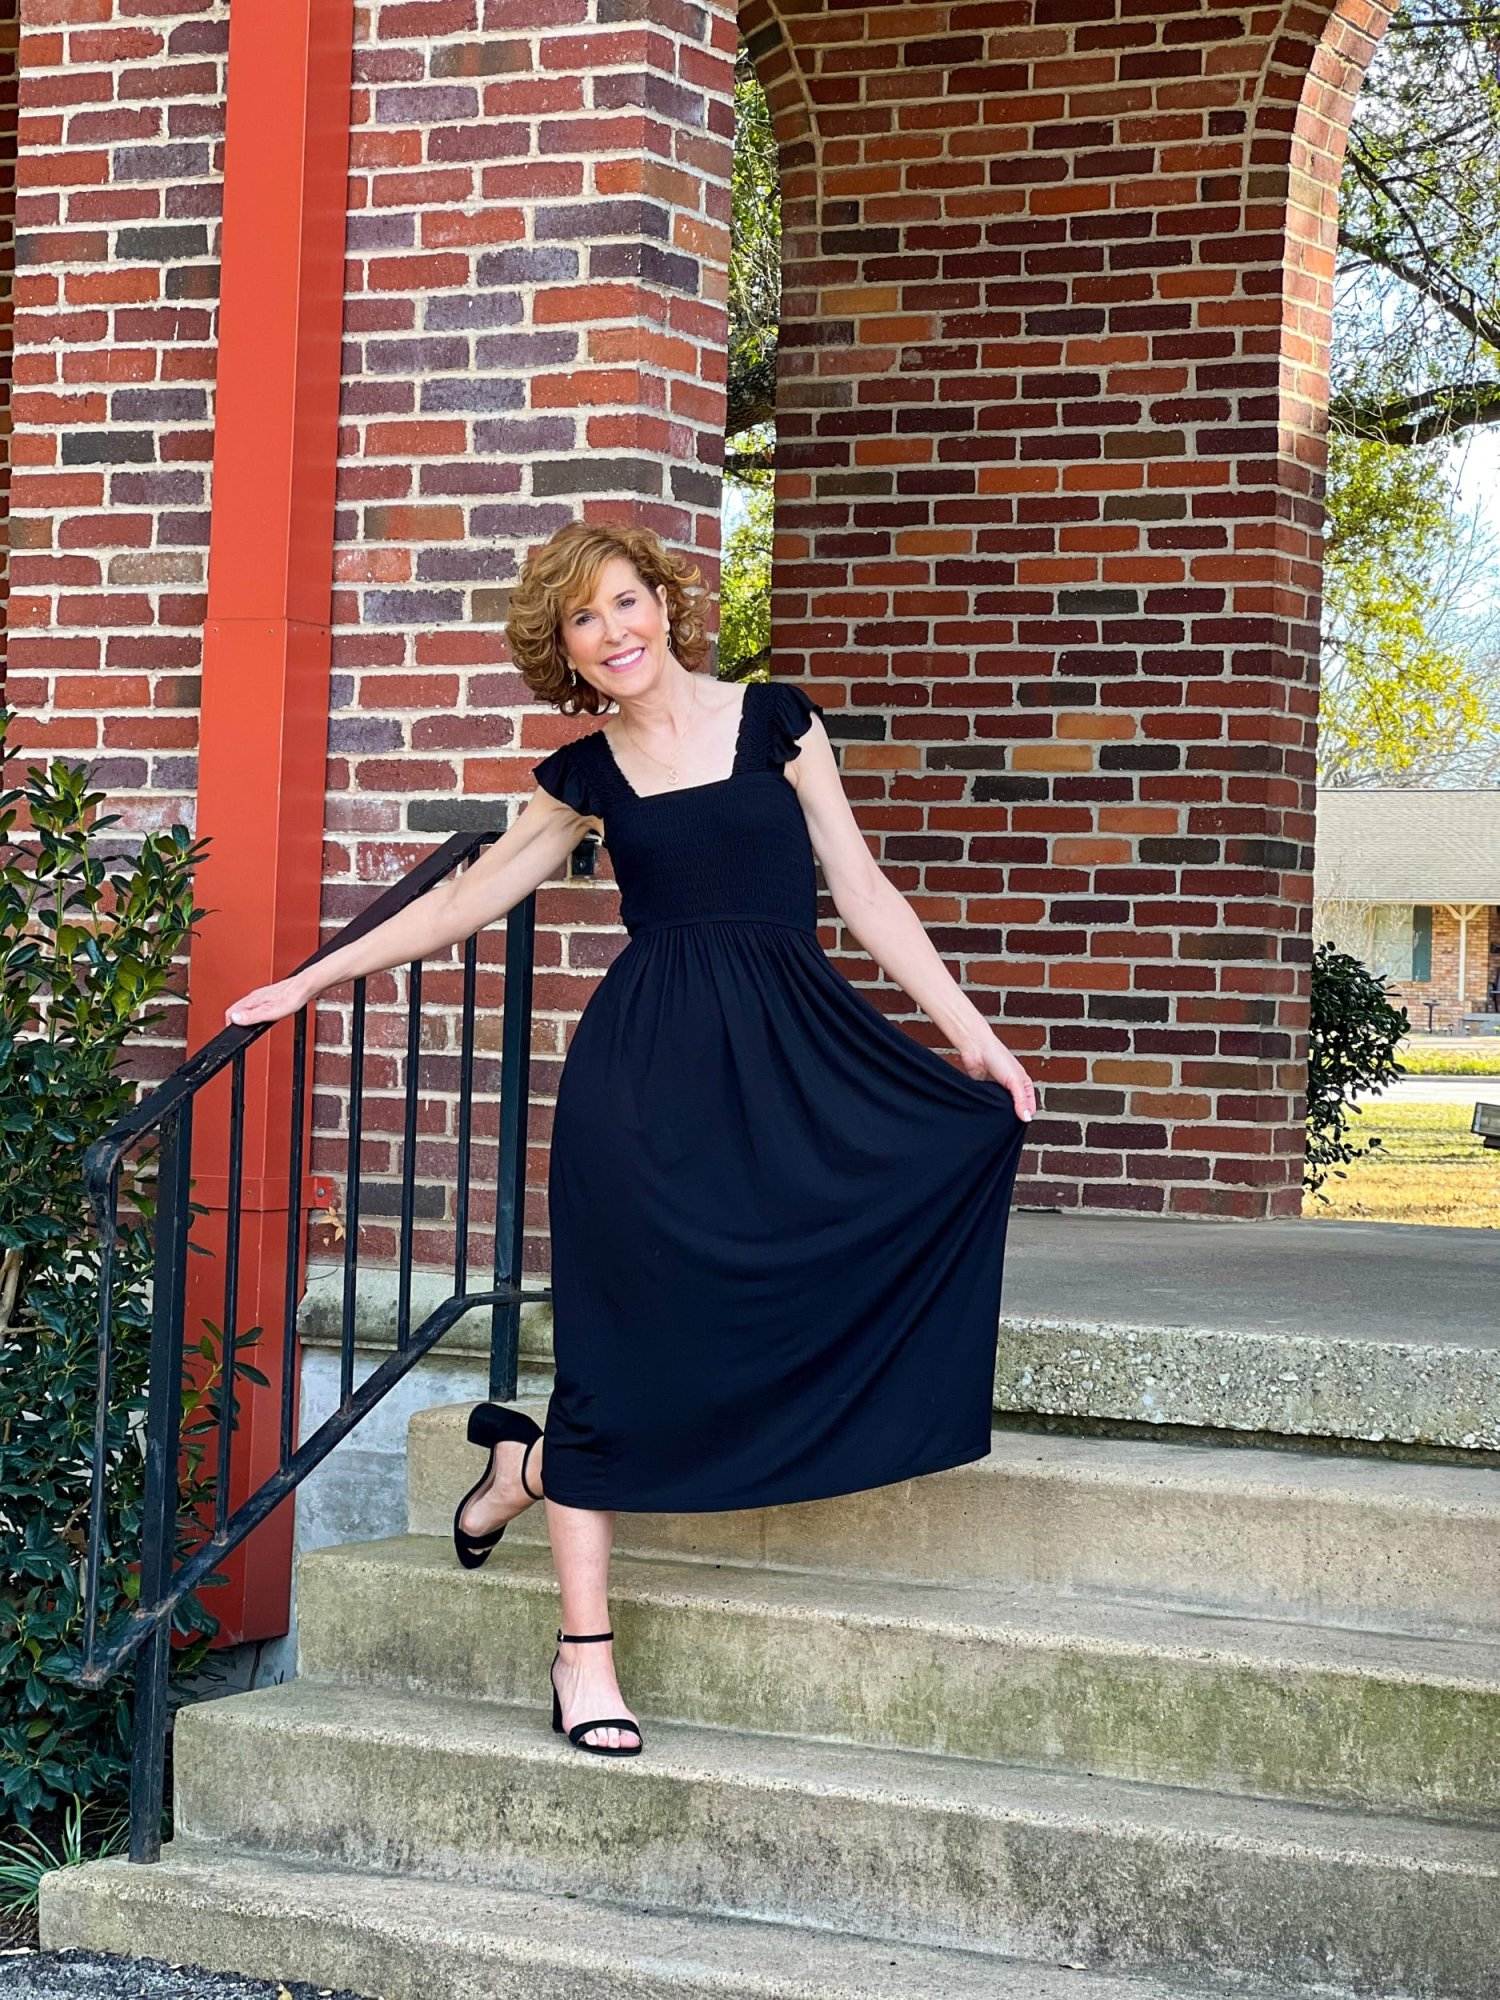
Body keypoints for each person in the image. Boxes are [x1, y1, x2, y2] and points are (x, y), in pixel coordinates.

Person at [225, 519, 1035, 1760]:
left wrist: (970, 1034)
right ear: (566, 652)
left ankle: (524, 1466)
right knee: (615, 1351)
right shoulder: (582, 779)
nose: (616, 632)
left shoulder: (780, 721)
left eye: (626, 601)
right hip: (639, 1092)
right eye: (584, 622)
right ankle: (584, 1652)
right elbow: (461, 899)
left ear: (664, 598)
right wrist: (307, 981)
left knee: (763, 1305)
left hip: (788, 1066)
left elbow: (863, 891)